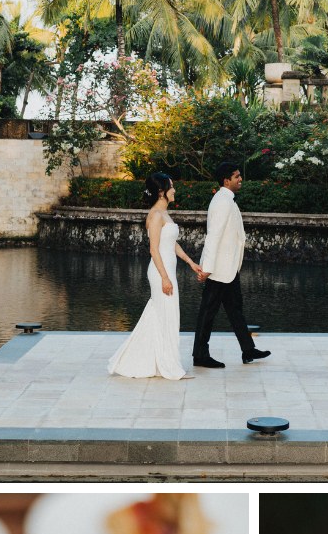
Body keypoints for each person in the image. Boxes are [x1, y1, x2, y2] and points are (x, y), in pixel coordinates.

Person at [108, 172, 205, 380]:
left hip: (168, 269)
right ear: (161, 191)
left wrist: (190, 263)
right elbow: (154, 250)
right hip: (161, 271)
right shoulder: (154, 215)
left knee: (167, 317)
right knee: (166, 317)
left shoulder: (165, 214)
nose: (175, 190)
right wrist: (164, 277)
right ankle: (167, 366)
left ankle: (164, 362)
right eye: (171, 186)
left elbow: (171, 244)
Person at [192, 161, 270, 368]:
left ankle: (248, 349)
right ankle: (200, 355)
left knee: (235, 310)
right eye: (236, 176)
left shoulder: (227, 200)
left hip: (228, 268)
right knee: (207, 313)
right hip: (218, 270)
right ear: (226, 181)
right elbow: (213, 236)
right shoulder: (222, 202)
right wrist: (207, 268)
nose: (240, 179)